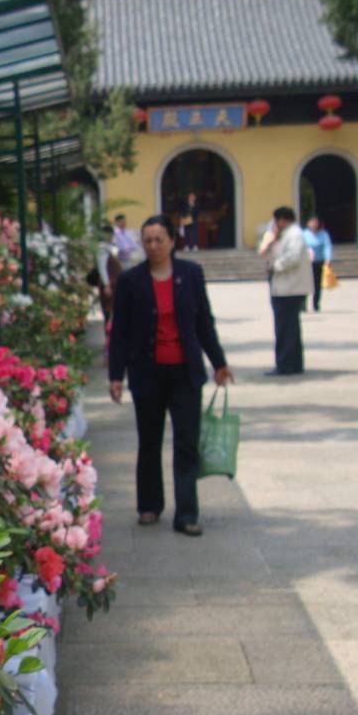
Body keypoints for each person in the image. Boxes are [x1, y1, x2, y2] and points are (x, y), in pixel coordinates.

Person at [108, 214, 233, 537]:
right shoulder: (131, 280)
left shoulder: (191, 274)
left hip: (185, 373)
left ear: (172, 241)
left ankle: (187, 513)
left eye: (158, 239)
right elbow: (119, 330)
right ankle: (149, 505)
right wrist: (116, 375)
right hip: (147, 373)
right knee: (149, 442)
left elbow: (204, 322)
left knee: (186, 443)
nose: (152, 246)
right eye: (147, 240)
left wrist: (218, 362)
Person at [259, 206, 313, 375]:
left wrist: (275, 266)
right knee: (291, 328)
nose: (275, 224)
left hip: (289, 288)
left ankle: (285, 364)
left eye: (276, 220)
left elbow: (292, 257)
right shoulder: (286, 234)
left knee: (285, 329)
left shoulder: (294, 234)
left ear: (283, 219)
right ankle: (294, 363)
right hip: (286, 287)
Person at [302, 216, 332, 312]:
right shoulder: (304, 234)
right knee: (305, 283)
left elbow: (327, 247)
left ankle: (316, 304)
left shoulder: (323, 234)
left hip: (318, 262)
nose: (314, 224)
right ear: (308, 223)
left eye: (316, 222)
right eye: (312, 222)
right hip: (306, 262)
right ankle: (303, 305)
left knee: (317, 284)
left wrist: (328, 259)